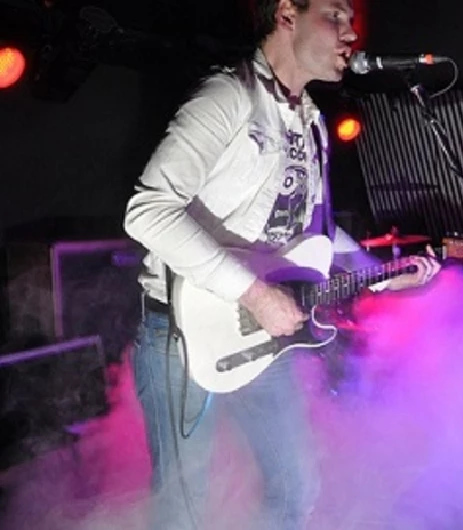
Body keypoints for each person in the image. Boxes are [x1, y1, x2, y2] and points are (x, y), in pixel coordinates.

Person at [123, 0, 441, 528]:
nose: (352, 33)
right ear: (287, 13)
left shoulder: (311, 121)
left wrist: (383, 270)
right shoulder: (228, 97)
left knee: (295, 487)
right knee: (183, 508)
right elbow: (148, 210)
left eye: (352, 20)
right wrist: (253, 292)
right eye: (335, 15)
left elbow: (314, 233)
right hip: (180, 333)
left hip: (263, 336)